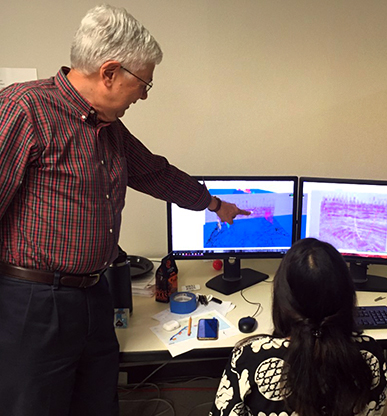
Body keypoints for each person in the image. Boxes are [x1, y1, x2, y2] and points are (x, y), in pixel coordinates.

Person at [0, 5, 249, 416]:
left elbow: (154, 173)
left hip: (95, 294)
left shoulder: (108, 127)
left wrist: (215, 205)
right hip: (32, 302)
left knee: (99, 402)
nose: (145, 94)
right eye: (144, 83)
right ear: (110, 72)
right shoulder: (24, 110)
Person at [210, 238, 387, 416]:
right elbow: (376, 408)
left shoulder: (250, 357)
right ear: (346, 295)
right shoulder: (371, 355)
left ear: (283, 299)